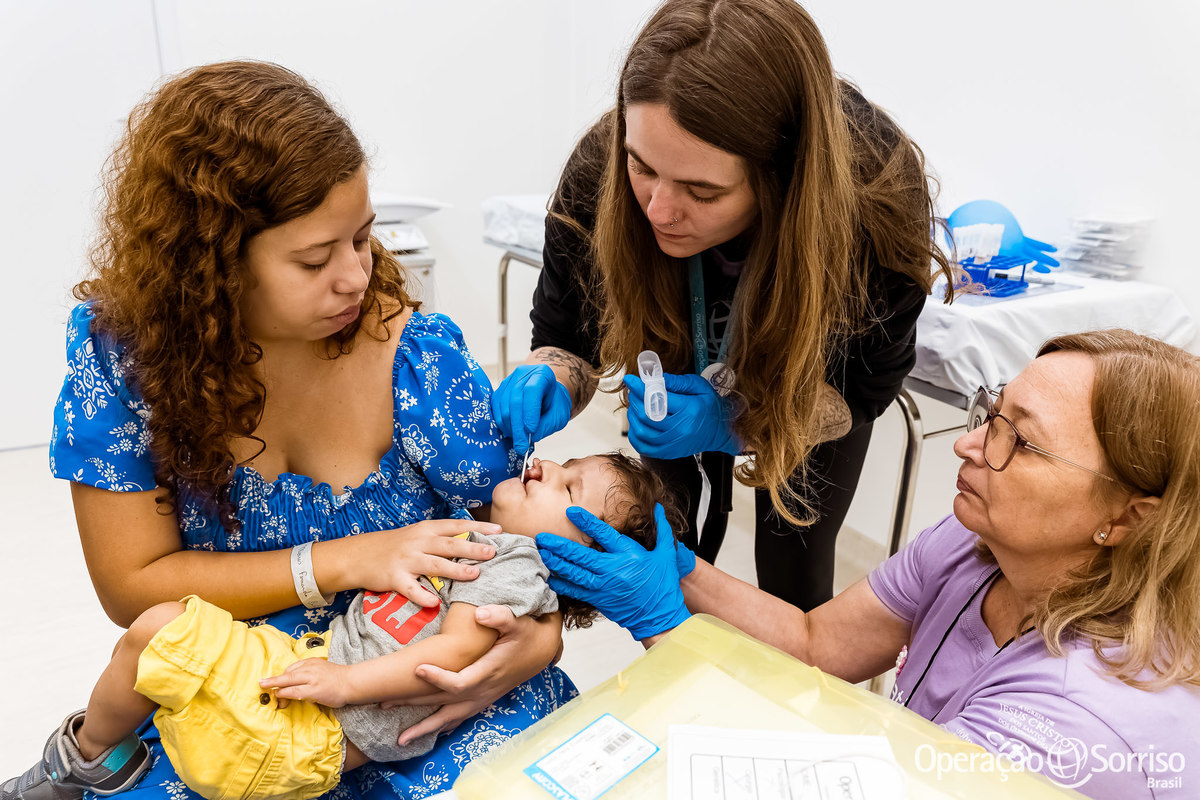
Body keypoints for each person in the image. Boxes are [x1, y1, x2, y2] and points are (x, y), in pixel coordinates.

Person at [31, 61, 573, 800]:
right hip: (248, 687)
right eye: (315, 259)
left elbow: (518, 540)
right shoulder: (126, 360)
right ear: (210, 270)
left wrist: (535, 642)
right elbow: (134, 589)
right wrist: (342, 561)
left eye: (363, 238)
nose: (356, 277)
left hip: (421, 686)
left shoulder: (418, 361)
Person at [538, 329, 1200, 799]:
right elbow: (818, 643)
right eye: (992, 413)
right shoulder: (977, 545)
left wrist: (665, 625)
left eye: (1019, 441)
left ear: (1128, 517)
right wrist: (672, 564)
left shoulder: (1079, 721)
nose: (969, 444)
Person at [490, 0, 955, 612]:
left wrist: (736, 419)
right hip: (672, 377)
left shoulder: (874, 205)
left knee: (794, 570)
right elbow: (566, 337)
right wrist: (552, 374)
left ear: (782, 178)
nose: (656, 210)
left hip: (806, 391)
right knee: (665, 549)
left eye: (702, 191)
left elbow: (861, 392)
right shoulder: (597, 176)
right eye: (642, 167)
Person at [3, 453, 680, 800]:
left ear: (580, 552)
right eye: (563, 463)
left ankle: (84, 761)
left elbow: (445, 659)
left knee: (156, 633)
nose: (545, 467)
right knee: (159, 630)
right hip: (306, 674)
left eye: (566, 489)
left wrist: (344, 681)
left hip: (310, 728)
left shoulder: (517, 569)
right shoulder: (491, 538)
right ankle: (93, 758)